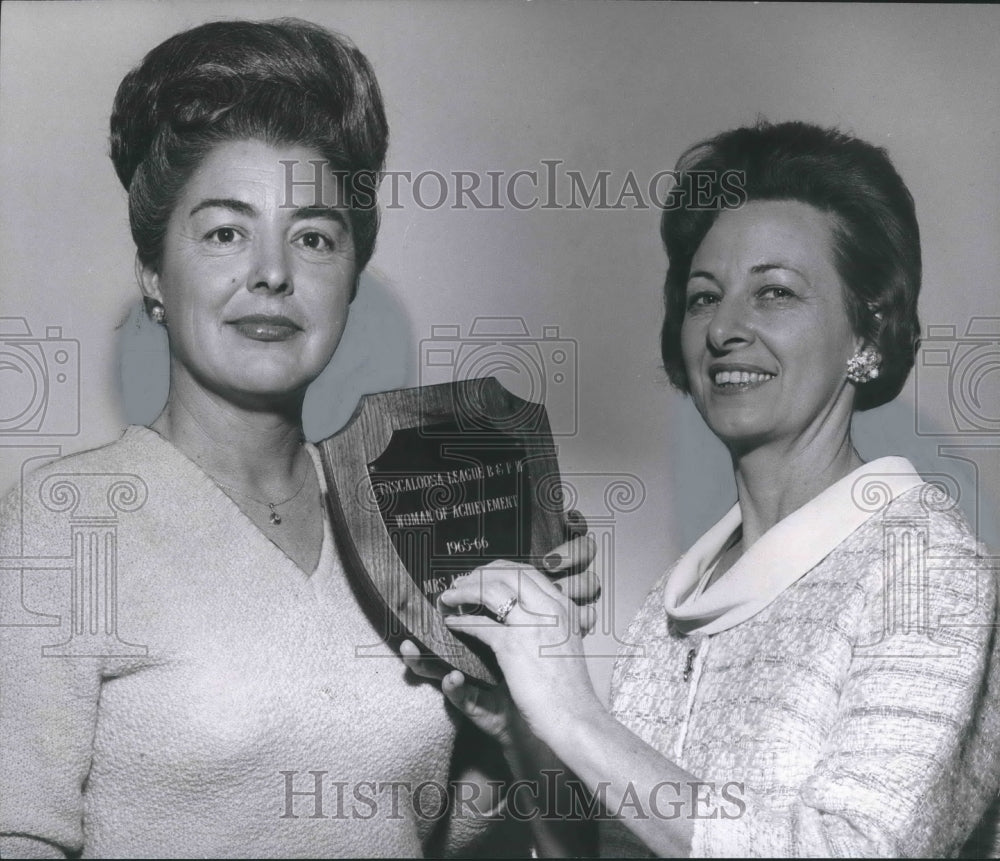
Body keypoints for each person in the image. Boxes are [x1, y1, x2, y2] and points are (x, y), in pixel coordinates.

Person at [0, 18, 596, 858]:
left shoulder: (410, 510)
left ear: (350, 276)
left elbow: (460, 824)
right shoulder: (67, 520)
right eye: (224, 232)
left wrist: (533, 675)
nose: (272, 272)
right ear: (153, 274)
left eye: (313, 236)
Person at [430, 120, 1000, 857]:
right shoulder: (675, 599)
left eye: (776, 292)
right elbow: (618, 845)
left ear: (868, 333)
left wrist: (577, 716)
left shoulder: (928, 570)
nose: (726, 326)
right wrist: (524, 724)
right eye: (704, 297)